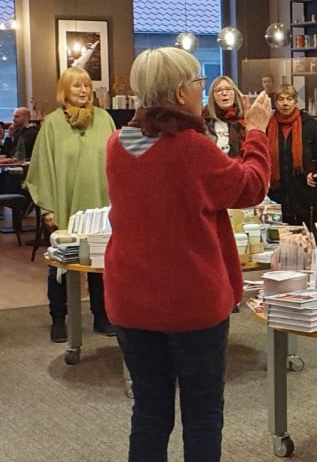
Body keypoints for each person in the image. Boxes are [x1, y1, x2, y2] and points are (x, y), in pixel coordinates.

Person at [104, 47, 272, 462]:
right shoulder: (192, 148)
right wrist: (256, 132)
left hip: (130, 299)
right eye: (199, 83)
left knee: (149, 410)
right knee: (201, 414)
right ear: (181, 93)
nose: (202, 90)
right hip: (190, 301)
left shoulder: (117, 142)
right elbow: (251, 187)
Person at [24, 66, 117, 343]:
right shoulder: (52, 124)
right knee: (61, 268)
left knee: (100, 264)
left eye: (87, 85)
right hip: (66, 208)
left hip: (101, 207)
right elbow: (41, 167)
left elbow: (116, 161)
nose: (83, 90)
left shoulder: (104, 119)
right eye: (76, 86)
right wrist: (48, 208)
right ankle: (59, 319)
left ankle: (102, 315)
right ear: (65, 90)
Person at [266, 83, 317, 228]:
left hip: (302, 189)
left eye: (289, 99)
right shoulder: (268, 125)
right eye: (281, 99)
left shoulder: (308, 124)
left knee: (303, 235)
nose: (285, 103)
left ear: (295, 101)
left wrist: (316, 174)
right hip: (276, 190)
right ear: (275, 102)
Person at [205, 76, 248, 158]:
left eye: (228, 89)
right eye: (218, 90)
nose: (224, 93)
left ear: (235, 93)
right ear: (213, 97)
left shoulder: (246, 120)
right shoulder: (204, 122)